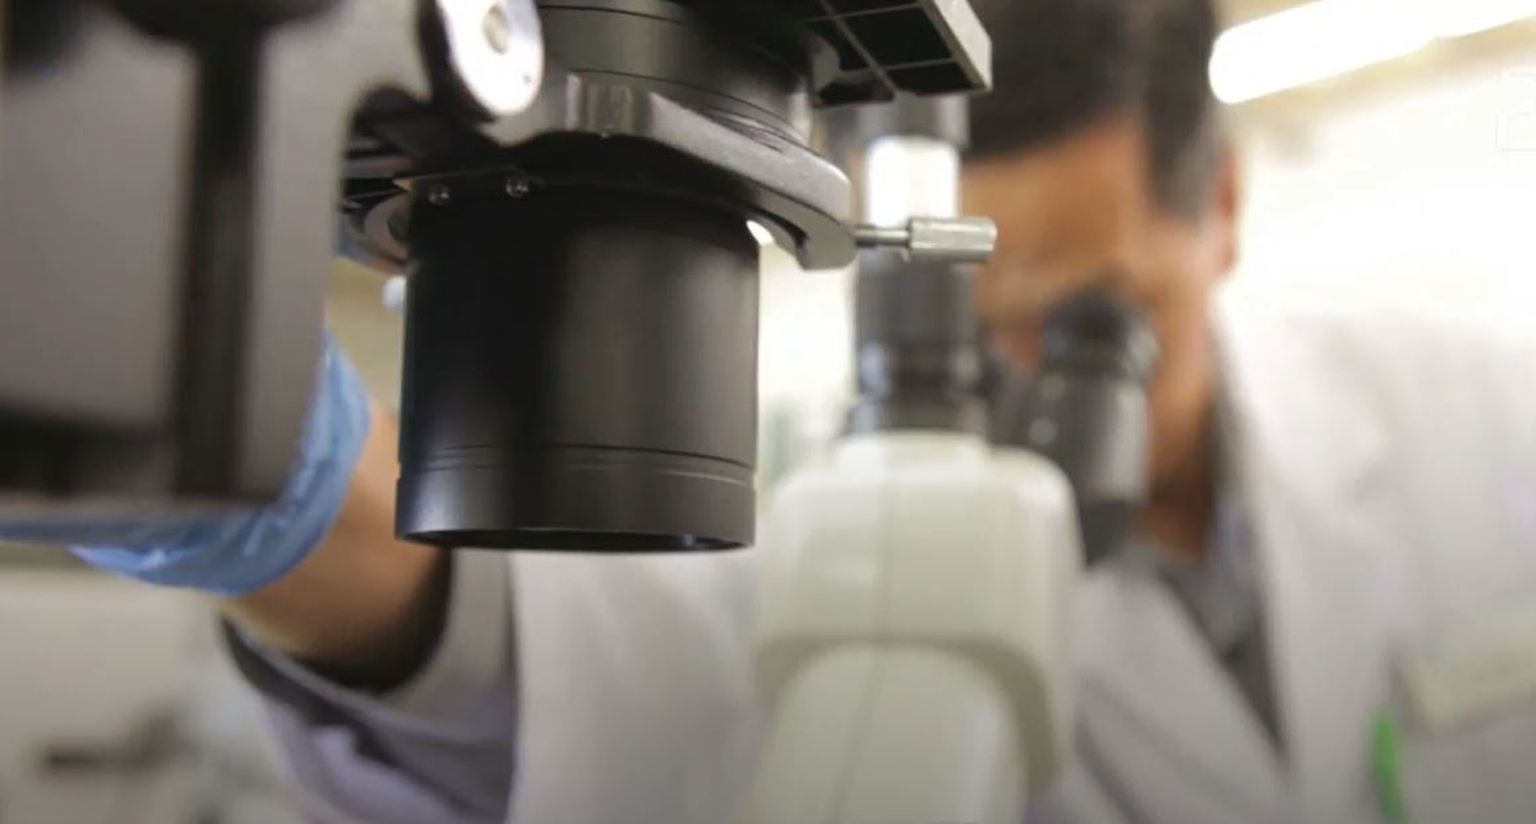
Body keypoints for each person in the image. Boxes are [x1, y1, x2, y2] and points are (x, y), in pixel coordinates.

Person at [6, 0, 1536, 822]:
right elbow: (545, 663)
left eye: (1089, 316)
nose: (1016, 379)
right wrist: (255, 471)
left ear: (1224, 210)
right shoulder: (833, 505)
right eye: (968, 322)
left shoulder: (1485, 413)